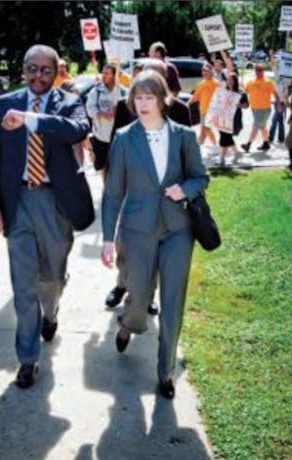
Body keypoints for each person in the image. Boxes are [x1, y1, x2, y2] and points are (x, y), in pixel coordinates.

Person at [0, 44, 95, 389]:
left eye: (46, 70)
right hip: (17, 203)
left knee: (52, 277)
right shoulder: (6, 103)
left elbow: (78, 129)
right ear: (23, 69)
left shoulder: (68, 102)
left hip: (56, 203)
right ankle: (27, 359)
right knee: (23, 284)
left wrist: (31, 120)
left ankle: (52, 311)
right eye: (32, 68)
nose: (38, 76)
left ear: (56, 72)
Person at [101, 70, 209, 400]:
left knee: (173, 301)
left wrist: (185, 189)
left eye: (149, 97)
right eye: (138, 97)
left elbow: (201, 177)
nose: (143, 103)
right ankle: (128, 324)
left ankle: (166, 371)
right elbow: (113, 193)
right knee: (138, 296)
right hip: (137, 230)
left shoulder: (183, 136)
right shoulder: (123, 138)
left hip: (178, 229)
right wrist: (108, 238)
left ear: (163, 99)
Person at [104, 57, 191, 315]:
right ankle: (122, 284)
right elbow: (115, 142)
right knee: (126, 249)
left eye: (157, 74)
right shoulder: (126, 105)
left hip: (166, 199)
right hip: (132, 190)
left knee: (155, 252)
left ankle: (147, 295)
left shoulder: (180, 110)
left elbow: (186, 157)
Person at [86, 62, 127, 183]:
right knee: (102, 165)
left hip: (119, 136)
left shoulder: (123, 92)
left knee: (119, 166)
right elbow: (90, 109)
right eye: (103, 73)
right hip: (101, 136)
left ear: (114, 75)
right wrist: (102, 114)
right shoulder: (96, 91)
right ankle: (106, 189)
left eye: (107, 73)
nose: (103, 76)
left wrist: (119, 110)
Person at [240, 63, 280, 152]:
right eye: (257, 70)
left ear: (263, 71)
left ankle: (248, 144)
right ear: (255, 71)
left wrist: (279, 104)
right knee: (262, 127)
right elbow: (245, 92)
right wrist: (240, 87)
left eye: (260, 70)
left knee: (256, 126)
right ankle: (266, 143)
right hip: (254, 109)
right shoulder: (251, 82)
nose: (258, 72)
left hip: (264, 109)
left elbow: (275, 94)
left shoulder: (268, 82)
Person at [215, 72, 248, 167]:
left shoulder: (240, 93)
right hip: (223, 116)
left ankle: (222, 159)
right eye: (228, 80)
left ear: (235, 81)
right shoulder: (223, 91)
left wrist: (239, 105)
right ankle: (235, 153)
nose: (229, 82)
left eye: (231, 80)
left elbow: (246, 105)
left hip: (234, 118)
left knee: (225, 136)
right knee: (225, 136)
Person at [187, 62, 219, 149]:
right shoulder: (201, 84)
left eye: (206, 71)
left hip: (212, 111)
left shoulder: (217, 84)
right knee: (203, 131)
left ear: (211, 71)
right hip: (203, 111)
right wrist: (187, 104)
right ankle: (196, 147)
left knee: (206, 129)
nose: (204, 72)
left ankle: (215, 146)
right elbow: (195, 97)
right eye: (203, 71)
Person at [268, 50, 290, 145]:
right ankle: (280, 138)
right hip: (276, 101)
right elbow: (273, 65)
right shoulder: (278, 75)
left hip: (282, 102)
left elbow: (286, 92)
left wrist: (283, 102)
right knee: (279, 120)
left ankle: (271, 138)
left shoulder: (287, 79)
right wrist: (271, 55)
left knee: (275, 120)